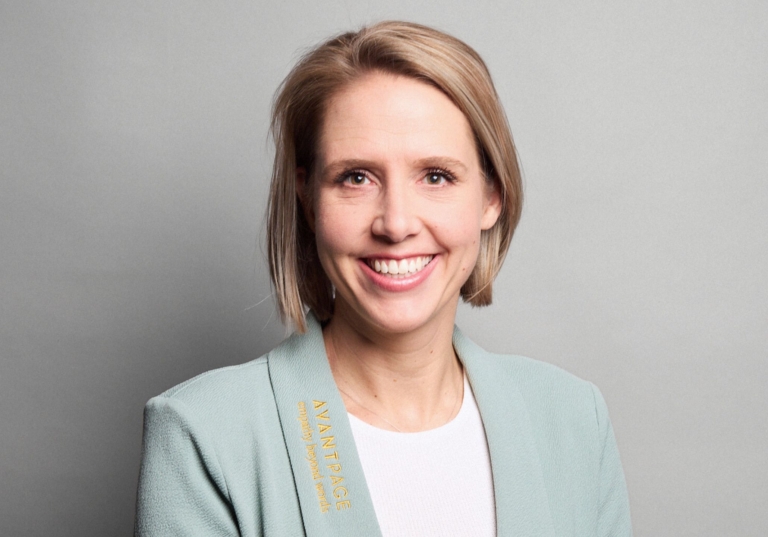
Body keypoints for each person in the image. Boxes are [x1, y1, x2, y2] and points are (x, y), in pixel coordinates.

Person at [135, 21, 632, 537]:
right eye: (356, 177)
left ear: (491, 197)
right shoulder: (205, 434)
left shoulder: (574, 420)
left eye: (436, 176)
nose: (396, 223)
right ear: (307, 199)